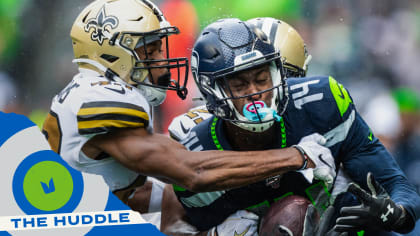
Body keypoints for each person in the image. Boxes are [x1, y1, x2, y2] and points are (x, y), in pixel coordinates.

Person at [41, 0, 333, 219]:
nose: (160, 59)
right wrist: (295, 156)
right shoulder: (101, 98)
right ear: (112, 52)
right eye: (149, 49)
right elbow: (193, 173)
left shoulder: (89, 92)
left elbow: (142, 194)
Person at [165, 18, 420, 235]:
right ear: (212, 92)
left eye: (262, 78)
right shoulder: (194, 149)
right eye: (240, 85)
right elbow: (172, 224)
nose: (256, 93)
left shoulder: (322, 104)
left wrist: (394, 214)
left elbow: (398, 185)